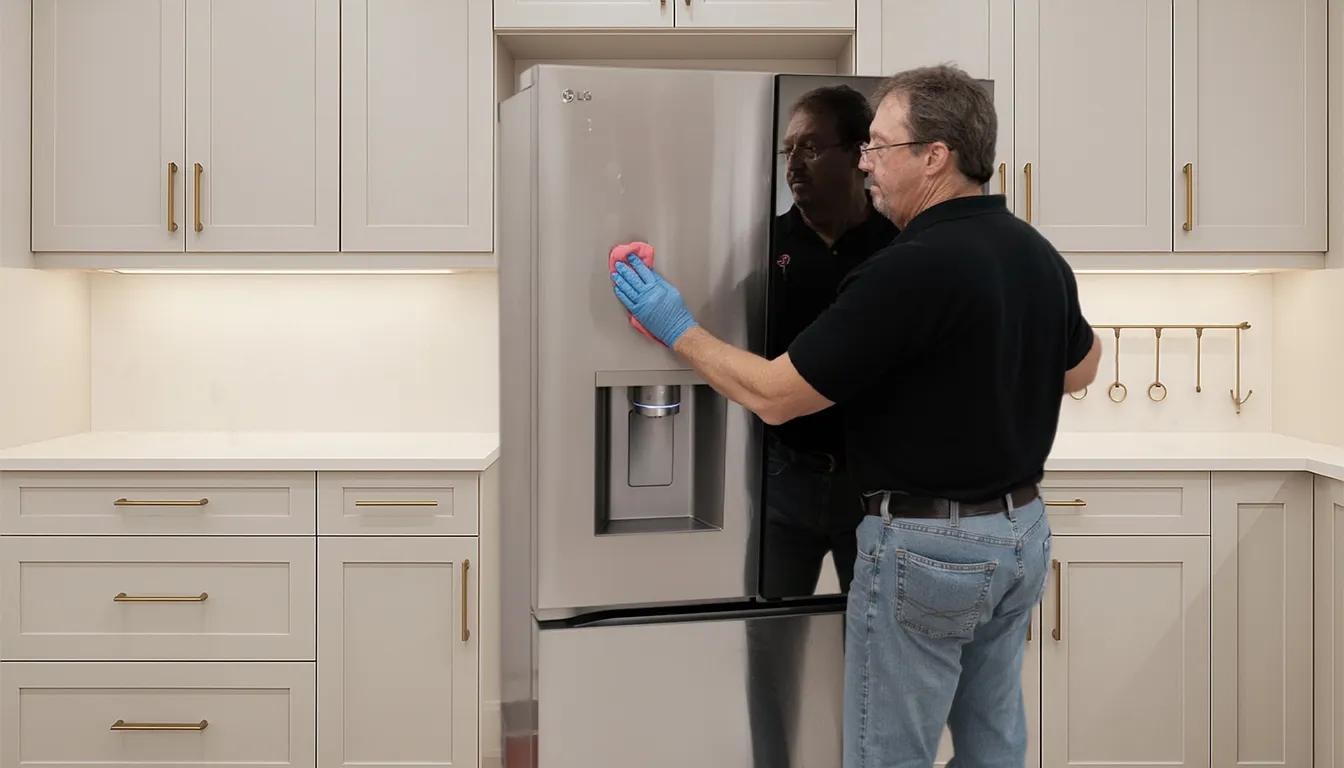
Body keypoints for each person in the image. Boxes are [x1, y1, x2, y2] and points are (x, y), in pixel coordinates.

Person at [610, 64, 1102, 767]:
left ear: (935, 157)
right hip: (1019, 537)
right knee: (993, 742)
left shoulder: (909, 266)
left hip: (930, 551)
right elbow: (1081, 367)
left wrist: (676, 327)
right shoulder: (1035, 252)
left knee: (888, 755)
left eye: (879, 146)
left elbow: (779, 394)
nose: (866, 163)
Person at [763, 84, 898, 600]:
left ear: (860, 155)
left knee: (872, 638)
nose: (793, 164)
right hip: (784, 477)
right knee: (770, 635)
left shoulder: (898, 248)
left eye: (812, 148)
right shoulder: (765, 244)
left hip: (873, 485)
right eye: (788, 150)